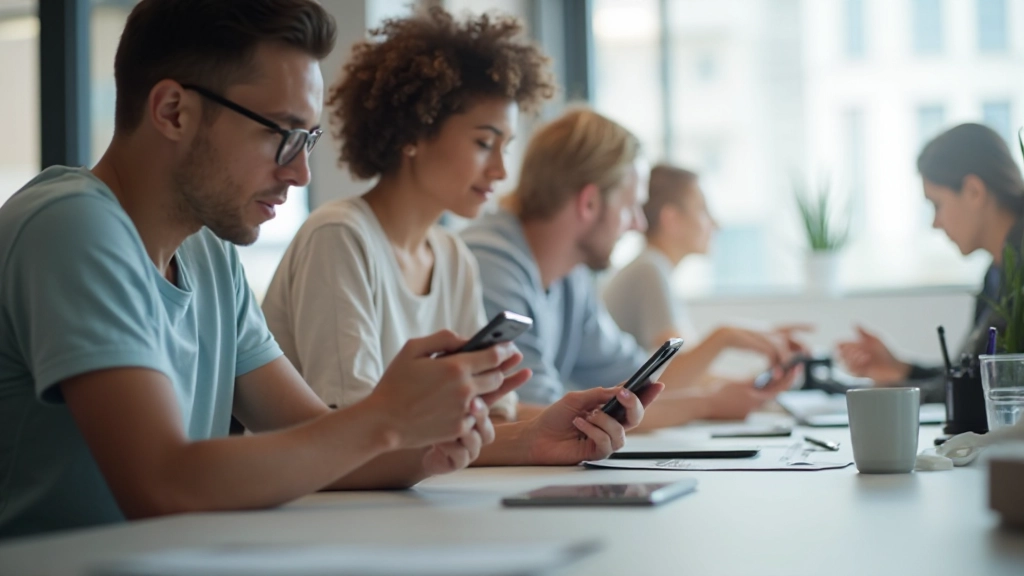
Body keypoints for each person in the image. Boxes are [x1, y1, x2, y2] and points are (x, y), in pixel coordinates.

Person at [0, 0, 529, 539]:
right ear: (173, 112)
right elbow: (160, 482)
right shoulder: (70, 224)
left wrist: (426, 442)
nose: (300, 172)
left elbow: (317, 438)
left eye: (310, 139)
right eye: (282, 131)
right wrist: (385, 420)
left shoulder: (209, 254)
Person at [261, 7, 661, 467]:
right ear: (415, 131)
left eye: (505, 147)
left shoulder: (453, 256)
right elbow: (352, 428)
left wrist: (543, 430)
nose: (501, 170)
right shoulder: (340, 238)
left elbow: (483, 419)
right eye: (483, 143)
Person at [462, 108, 798, 431]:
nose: (638, 224)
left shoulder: (571, 277)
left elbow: (636, 380)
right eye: (631, 207)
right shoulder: (492, 266)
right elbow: (542, 420)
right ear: (589, 202)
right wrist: (707, 403)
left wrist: (721, 384)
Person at [838, 123, 1024, 401]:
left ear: (974, 191)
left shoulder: (1018, 273)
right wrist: (901, 370)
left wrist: (893, 392)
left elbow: (973, 395)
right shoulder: (997, 272)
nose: (935, 223)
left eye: (937, 204)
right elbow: (969, 376)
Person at [603, 164, 809, 380]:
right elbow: (674, 380)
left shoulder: (652, 268)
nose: (716, 223)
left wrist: (760, 380)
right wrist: (727, 336)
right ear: (671, 219)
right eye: (703, 209)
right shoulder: (649, 271)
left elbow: (688, 375)